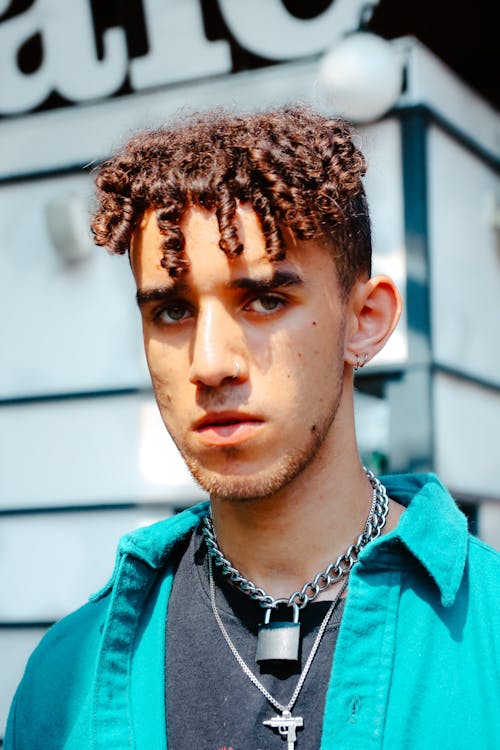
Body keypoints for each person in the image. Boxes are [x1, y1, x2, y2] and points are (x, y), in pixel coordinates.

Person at [5, 105, 500, 750]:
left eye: (266, 300)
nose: (210, 364)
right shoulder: (64, 676)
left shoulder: (488, 634)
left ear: (365, 320)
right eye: (173, 310)